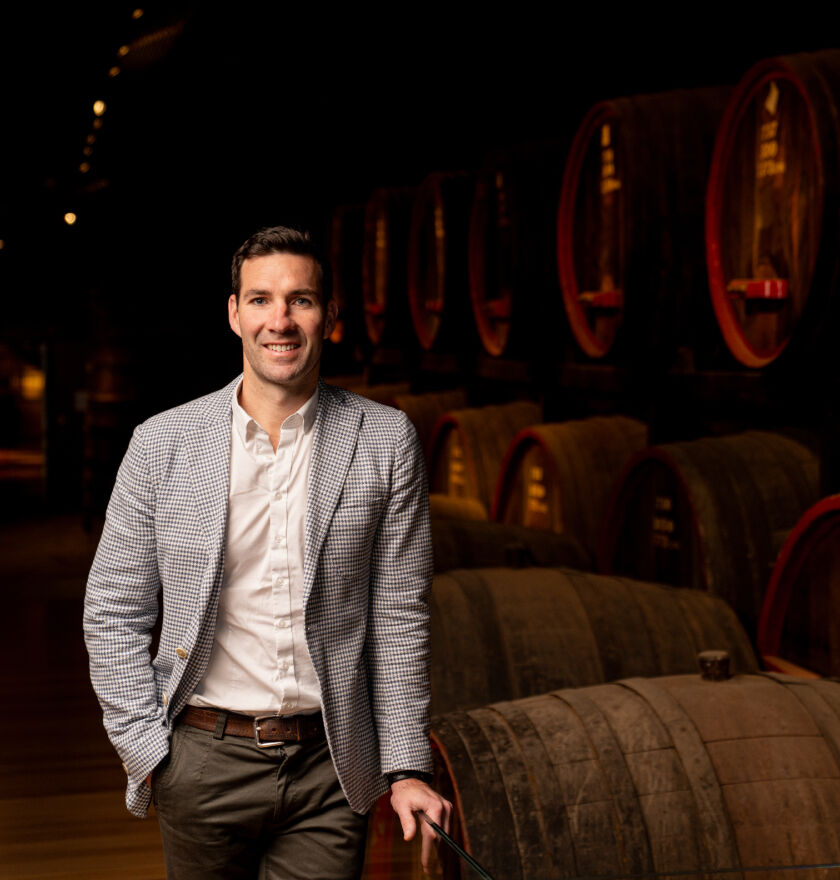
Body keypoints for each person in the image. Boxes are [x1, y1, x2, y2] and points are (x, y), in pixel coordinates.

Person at [83, 225, 451, 879]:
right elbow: (114, 607)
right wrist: (147, 748)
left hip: (330, 768)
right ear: (234, 313)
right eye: (260, 300)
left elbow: (399, 617)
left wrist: (403, 768)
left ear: (331, 316)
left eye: (301, 300)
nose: (279, 321)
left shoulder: (384, 438)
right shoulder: (163, 442)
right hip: (201, 759)